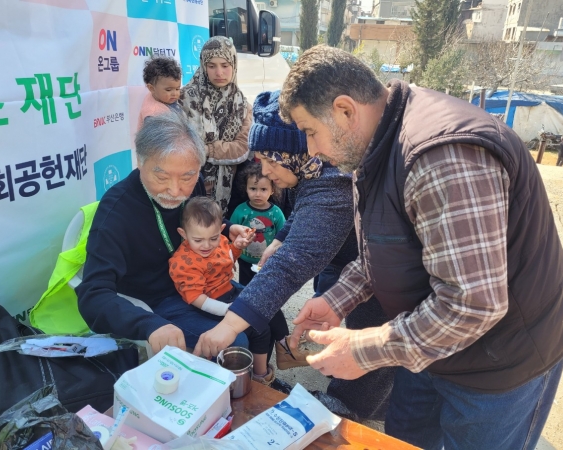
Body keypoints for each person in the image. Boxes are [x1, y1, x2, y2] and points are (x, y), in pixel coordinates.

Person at [279, 45, 563, 450]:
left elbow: (474, 304)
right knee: (407, 440)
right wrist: (337, 301)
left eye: (310, 130)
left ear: (346, 110)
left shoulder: (439, 159)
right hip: (429, 340)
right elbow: (387, 246)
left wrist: (364, 350)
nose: (311, 150)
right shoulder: (376, 141)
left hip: (502, 360)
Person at [193, 91, 395, 420]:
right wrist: (282, 237)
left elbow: (291, 266)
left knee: (369, 332)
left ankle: (350, 410)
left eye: (272, 161)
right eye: (260, 160)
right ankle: (376, 397)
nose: (266, 172)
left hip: (379, 274)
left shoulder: (333, 183)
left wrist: (228, 326)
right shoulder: (313, 169)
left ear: (296, 152)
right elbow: (306, 210)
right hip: (360, 265)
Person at [77, 112, 254, 354]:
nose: (175, 190)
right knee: (234, 342)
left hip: (203, 280)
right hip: (157, 301)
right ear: (140, 162)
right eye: (161, 176)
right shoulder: (116, 213)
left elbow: (197, 217)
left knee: (261, 307)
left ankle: (262, 378)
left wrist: (227, 225)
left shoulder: (194, 184)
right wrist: (148, 325)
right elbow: (92, 294)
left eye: (187, 177)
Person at [168, 196, 276, 384]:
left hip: (229, 292)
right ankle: (238, 379)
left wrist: (236, 248)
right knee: (243, 334)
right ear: (183, 234)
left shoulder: (220, 242)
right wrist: (228, 310)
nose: (207, 245)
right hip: (210, 305)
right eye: (198, 240)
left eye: (213, 238)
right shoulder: (182, 263)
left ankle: (262, 378)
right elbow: (196, 299)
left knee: (263, 323)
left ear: (221, 230)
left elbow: (226, 259)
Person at [180, 36, 252, 213]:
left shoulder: (242, 104)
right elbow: (183, 145)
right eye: (211, 66)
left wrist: (207, 150)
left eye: (225, 65)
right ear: (203, 66)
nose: (219, 72)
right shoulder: (185, 98)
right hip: (189, 185)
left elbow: (242, 148)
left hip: (229, 191)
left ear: (234, 65)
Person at [229, 162, 286, 285]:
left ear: (272, 190)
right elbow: (230, 235)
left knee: (265, 288)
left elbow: (283, 235)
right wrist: (230, 257)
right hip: (245, 260)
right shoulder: (240, 210)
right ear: (246, 188)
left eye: (263, 189)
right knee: (245, 287)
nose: (258, 194)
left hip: (268, 261)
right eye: (253, 189)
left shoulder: (276, 213)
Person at [137, 56, 184, 130]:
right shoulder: (153, 114)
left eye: (177, 89)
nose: (174, 94)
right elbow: (155, 140)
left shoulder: (162, 98)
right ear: (151, 88)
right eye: (168, 90)